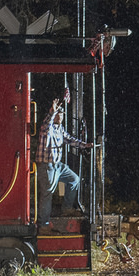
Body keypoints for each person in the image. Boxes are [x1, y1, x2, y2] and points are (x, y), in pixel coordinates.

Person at [34, 94, 90, 226]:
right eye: (59, 114)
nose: (61, 116)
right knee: (47, 194)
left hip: (58, 166)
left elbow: (70, 139)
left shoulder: (60, 129)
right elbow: (46, 124)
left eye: (62, 114)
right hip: (47, 166)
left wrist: (85, 145)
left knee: (74, 179)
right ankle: (43, 224)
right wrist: (52, 113)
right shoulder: (47, 129)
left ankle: (66, 209)